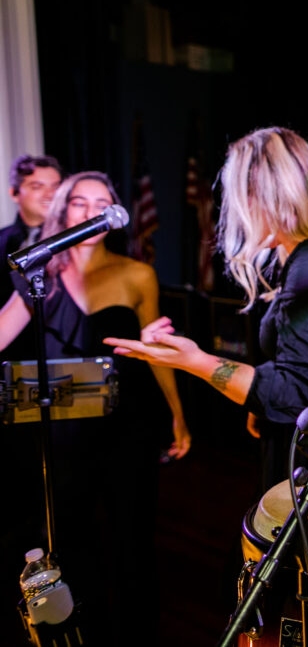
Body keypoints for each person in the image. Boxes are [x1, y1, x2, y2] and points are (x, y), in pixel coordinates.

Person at [105, 126, 308, 490]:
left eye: (237, 195)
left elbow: (297, 395)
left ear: (263, 195)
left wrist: (193, 360)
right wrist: (259, 399)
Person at [0, 170, 190, 644]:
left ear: (115, 214)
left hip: (127, 424)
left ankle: (137, 630)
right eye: (80, 203)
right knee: (70, 535)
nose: (90, 212)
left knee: (132, 534)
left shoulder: (136, 273)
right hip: (60, 431)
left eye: (101, 203)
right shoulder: (41, 274)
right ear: (65, 212)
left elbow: (157, 354)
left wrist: (178, 414)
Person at [0, 154, 64, 359]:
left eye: (56, 187)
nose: (50, 194)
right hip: (11, 358)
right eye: (38, 186)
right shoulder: (2, 240)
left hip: (63, 356)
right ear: (14, 193)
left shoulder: (79, 242)